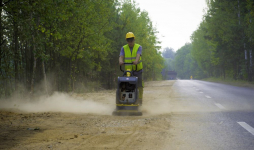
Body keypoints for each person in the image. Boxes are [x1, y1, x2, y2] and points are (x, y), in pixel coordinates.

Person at [119, 32, 143, 105]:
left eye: (131, 40)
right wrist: (120, 61)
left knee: (139, 85)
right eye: (128, 40)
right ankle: (123, 101)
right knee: (125, 85)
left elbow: (138, 55)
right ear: (126, 41)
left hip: (137, 70)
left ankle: (139, 101)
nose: (130, 42)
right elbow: (121, 56)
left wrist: (136, 61)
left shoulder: (139, 47)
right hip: (128, 71)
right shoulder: (123, 48)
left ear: (134, 39)